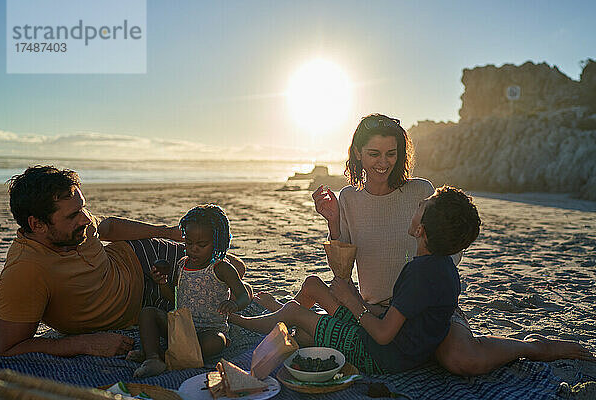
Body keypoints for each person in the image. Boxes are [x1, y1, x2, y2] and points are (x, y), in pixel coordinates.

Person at [255, 114, 592, 375]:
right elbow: (341, 272)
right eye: (373, 153)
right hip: (372, 311)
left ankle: (532, 346)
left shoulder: (420, 192)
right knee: (322, 335)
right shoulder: (348, 198)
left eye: (391, 153)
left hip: (420, 310)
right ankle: (277, 312)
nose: (383, 162)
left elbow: (447, 252)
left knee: (462, 360)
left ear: (401, 154)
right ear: (358, 153)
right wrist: (332, 220)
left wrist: (411, 293)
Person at [0, 166, 247, 357]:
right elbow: (7, 347)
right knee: (218, 283)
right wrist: (86, 343)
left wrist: (164, 232)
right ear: (37, 224)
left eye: (83, 208)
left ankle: (241, 295)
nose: (85, 219)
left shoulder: (79, 226)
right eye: (73, 215)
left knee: (234, 267)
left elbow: (110, 227)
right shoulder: (25, 271)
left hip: (140, 256)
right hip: (139, 306)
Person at [231, 186, 482, 373]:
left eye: (421, 206)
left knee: (296, 313)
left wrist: (352, 302)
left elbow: (383, 335)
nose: (417, 205)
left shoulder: (418, 273)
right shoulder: (443, 268)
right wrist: (358, 304)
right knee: (313, 285)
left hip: (377, 355)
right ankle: (283, 316)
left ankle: (246, 322)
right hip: (386, 340)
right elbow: (401, 318)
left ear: (420, 230)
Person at [129, 205, 251, 377]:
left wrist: (234, 304)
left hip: (209, 331)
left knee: (217, 342)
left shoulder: (222, 268)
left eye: (202, 244)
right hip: (181, 328)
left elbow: (244, 296)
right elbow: (173, 299)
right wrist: (162, 282)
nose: (193, 249)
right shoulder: (182, 264)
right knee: (148, 313)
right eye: (189, 243)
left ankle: (166, 355)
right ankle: (153, 358)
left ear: (218, 242)